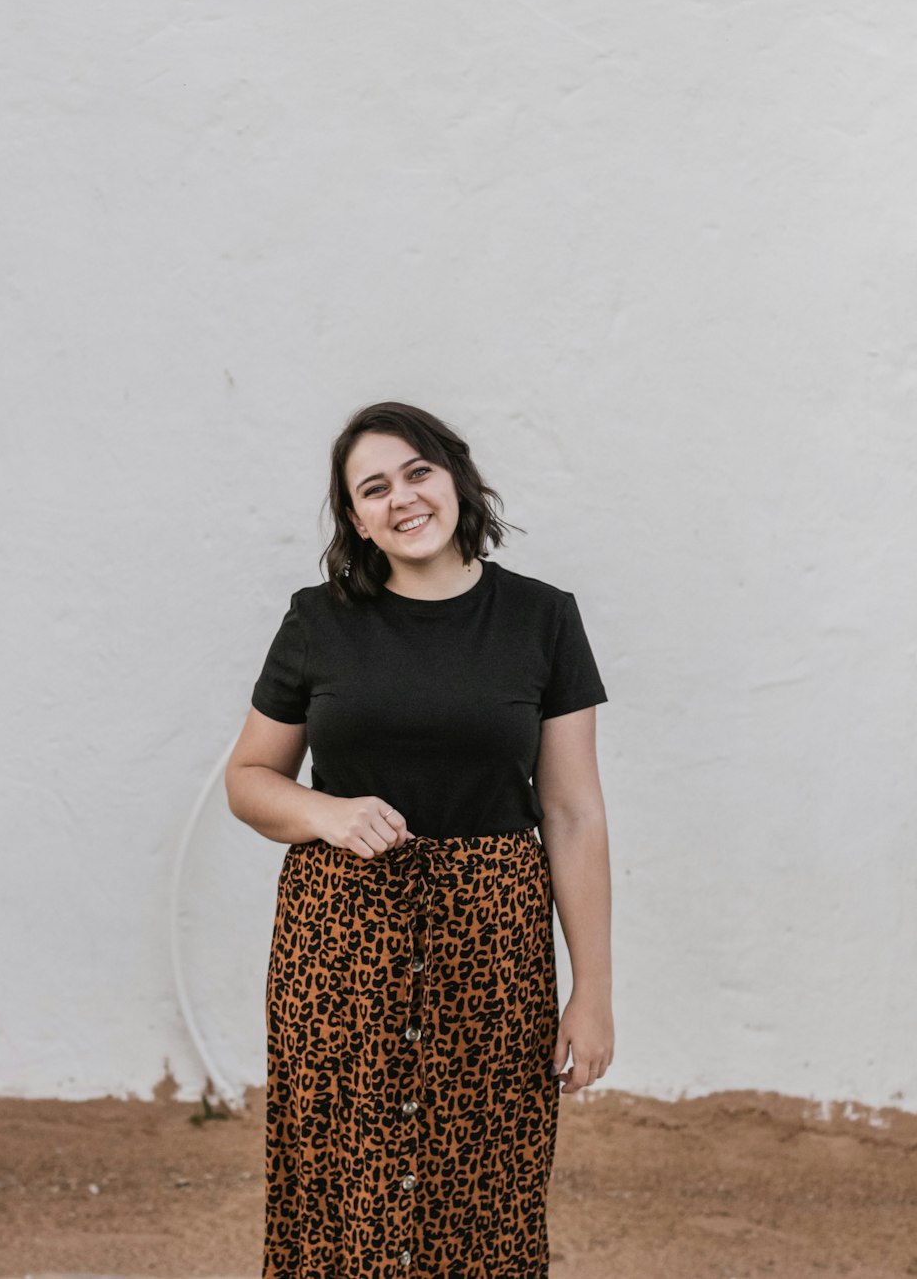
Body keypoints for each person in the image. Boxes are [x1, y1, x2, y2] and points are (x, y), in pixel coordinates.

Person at [225, 400, 614, 1279]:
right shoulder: (317, 621)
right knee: (338, 1178)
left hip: (494, 942)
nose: (401, 498)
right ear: (355, 517)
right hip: (341, 942)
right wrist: (326, 812)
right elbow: (249, 780)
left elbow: (575, 814)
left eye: (417, 471)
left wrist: (593, 990)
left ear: (456, 477)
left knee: (488, 1182)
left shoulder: (544, 619)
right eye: (373, 487)